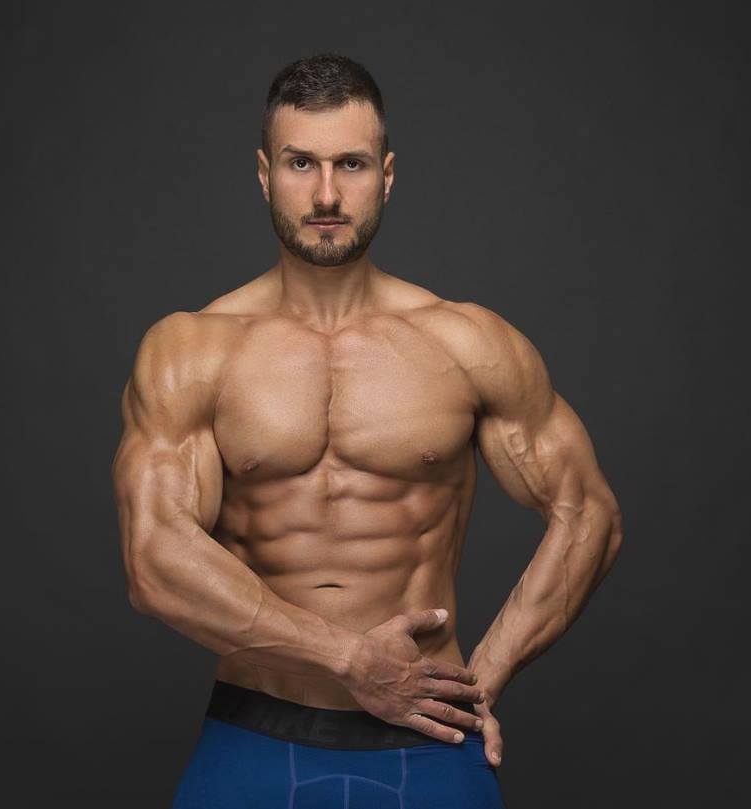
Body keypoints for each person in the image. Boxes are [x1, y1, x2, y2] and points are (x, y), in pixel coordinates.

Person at [111, 52, 623, 809]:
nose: (325, 193)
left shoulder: (466, 343)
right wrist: (347, 656)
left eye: (350, 163)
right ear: (263, 173)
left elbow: (591, 516)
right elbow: (154, 560)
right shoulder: (193, 351)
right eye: (300, 163)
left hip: (431, 745)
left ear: (386, 174)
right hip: (254, 739)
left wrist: (486, 674)